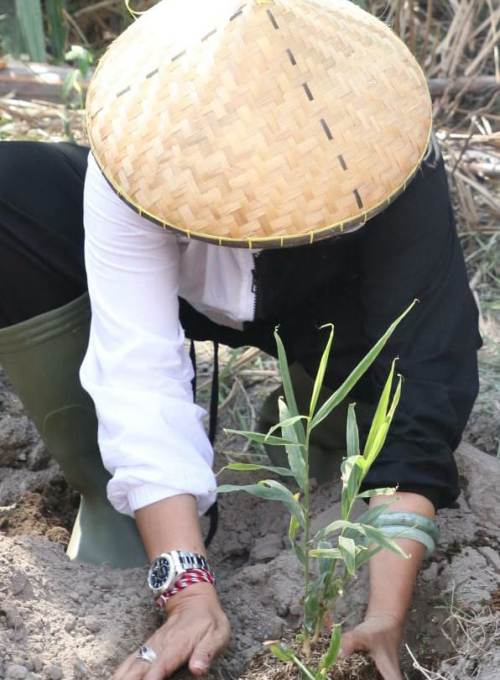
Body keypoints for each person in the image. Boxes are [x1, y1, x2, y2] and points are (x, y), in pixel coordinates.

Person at [0, 1, 481, 679]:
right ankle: (105, 492)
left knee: (355, 425)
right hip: (184, 287)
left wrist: (385, 609)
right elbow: (138, 371)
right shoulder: (139, 155)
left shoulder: (389, 157)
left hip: (327, 301)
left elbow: (425, 370)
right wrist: (187, 592)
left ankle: (312, 426)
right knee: (12, 192)